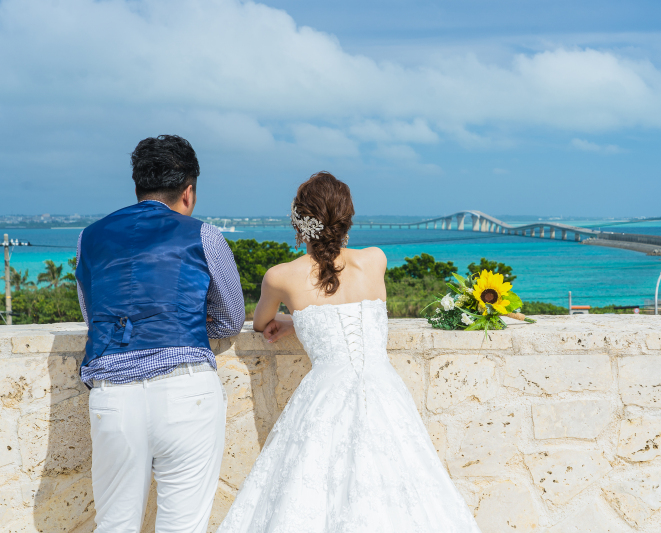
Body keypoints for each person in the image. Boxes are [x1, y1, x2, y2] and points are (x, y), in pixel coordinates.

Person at [217, 172, 482, 532]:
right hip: (384, 391)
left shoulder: (280, 277)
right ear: (347, 219)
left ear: (299, 223)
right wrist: (303, 321)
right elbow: (342, 302)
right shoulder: (375, 260)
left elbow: (262, 322)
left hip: (325, 396)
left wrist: (296, 319)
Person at [75, 135, 245, 532]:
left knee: (114, 525)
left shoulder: (89, 238)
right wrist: (183, 321)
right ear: (188, 192)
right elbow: (231, 320)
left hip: (113, 396)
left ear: (138, 186)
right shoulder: (205, 235)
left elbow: (93, 316)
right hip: (186, 392)